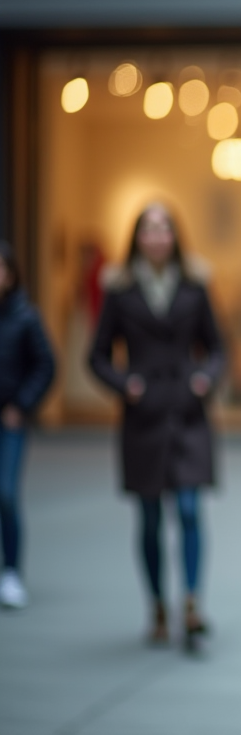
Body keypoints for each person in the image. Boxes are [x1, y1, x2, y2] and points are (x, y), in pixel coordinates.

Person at [89, 203, 224, 651]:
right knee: (149, 517)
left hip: (187, 412)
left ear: (175, 236)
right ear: (137, 238)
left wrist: (206, 378)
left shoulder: (194, 285)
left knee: (188, 509)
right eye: (149, 229)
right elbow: (97, 355)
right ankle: (156, 605)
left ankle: (191, 604)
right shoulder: (120, 289)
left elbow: (219, 347)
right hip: (144, 416)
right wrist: (124, 384)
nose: (157, 236)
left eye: (165, 228)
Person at [0, 241, 55, 610]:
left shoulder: (26, 317)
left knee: (6, 492)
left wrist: (22, 404)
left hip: (10, 421)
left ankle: (12, 571)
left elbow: (46, 365)